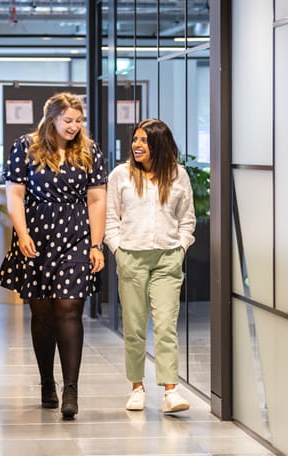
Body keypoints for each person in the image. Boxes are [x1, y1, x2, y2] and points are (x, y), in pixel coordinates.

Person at [0, 92, 107, 419]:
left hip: (76, 234)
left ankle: (71, 389)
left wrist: (96, 243)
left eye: (79, 121)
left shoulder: (90, 150)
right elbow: (14, 194)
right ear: (52, 119)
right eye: (68, 121)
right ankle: (47, 382)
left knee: (70, 308)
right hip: (37, 234)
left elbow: (97, 199)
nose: (74, 127)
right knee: (43, 314)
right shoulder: (25, 146)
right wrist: (22, 233)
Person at [104, 119, 196, 413]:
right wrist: (117, 249)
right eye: (135, 140)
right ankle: (137, 387)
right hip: (131, 256)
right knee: (134, 328)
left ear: (159, 145)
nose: (137, 145)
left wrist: (181, 247)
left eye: (144, 140)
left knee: (167, 326)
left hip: (168, 257)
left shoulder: (178, 175)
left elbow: (187, 218)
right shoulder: (120, 175)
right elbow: (111, 218)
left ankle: (171, 391)